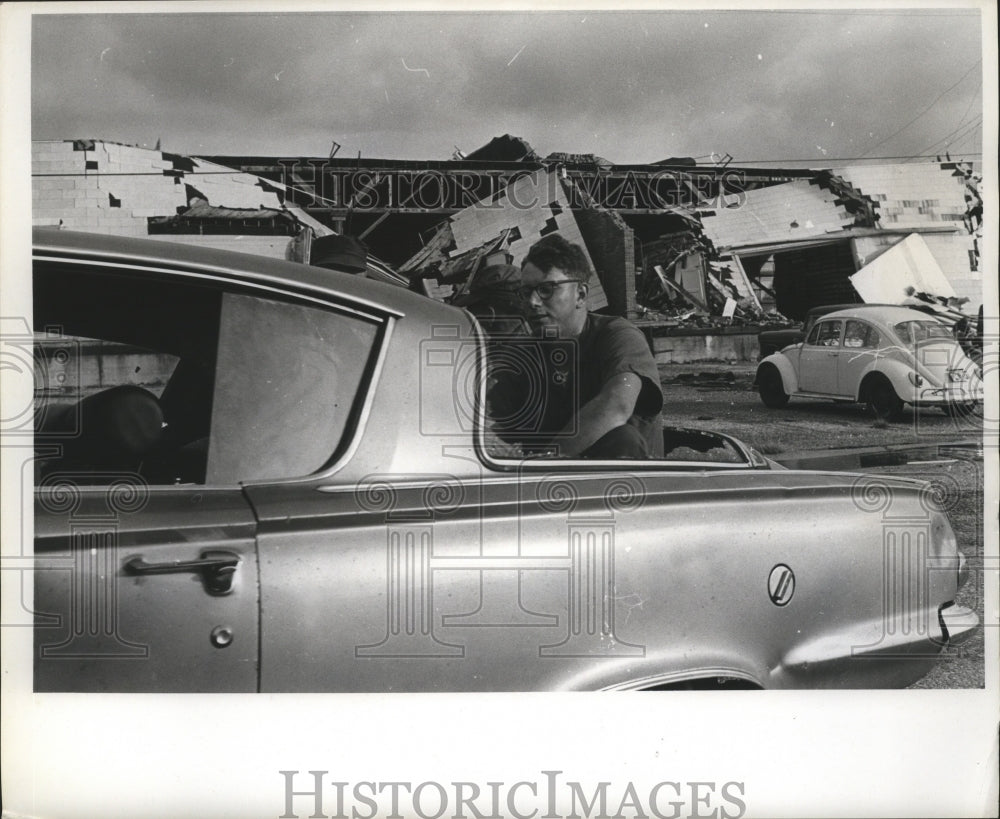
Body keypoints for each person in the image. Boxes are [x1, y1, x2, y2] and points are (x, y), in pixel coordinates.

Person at [517, 234, 664, 458]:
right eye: (526, 292)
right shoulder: (527, 352)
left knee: (622, 436)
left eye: (547, 289)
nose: (533, 302)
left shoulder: (619, 336)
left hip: (619, 484)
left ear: (581, 294)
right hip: (551, 487)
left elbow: (616, 405)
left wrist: (544, 464)